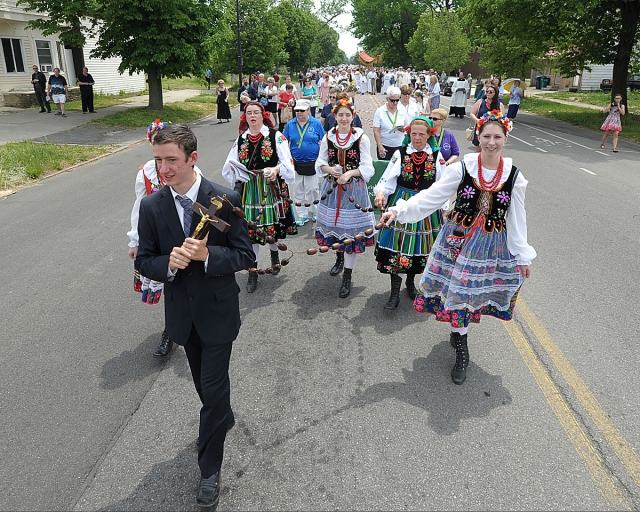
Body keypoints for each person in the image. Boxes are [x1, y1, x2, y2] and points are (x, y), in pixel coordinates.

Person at [136, 123, 254, 507]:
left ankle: (209, 470)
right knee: (207, 389)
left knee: (212, 393)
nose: (164, 169)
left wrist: (208, 257)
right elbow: (144, 259)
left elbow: (245, 256)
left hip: (218, 314)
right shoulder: (152, 206)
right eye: (158, 160)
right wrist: (166, 265)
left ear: (192, 159)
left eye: (172, 160)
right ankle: (222, 414)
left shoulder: (224, 197)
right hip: (183, 319)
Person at [380, 110, 535, 385]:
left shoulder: (515, 177)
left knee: (470, 296)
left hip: (489, 247)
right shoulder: (462, 168)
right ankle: (462, 347)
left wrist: (522, 255)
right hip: (457, 242)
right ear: (478, 135)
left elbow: (516, 218)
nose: (491, 142)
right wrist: (399, 210)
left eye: (497, 136)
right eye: (486, 135)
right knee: (460, 293)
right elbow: (432, 197)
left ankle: (458, 333)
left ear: (505, 138)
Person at [128, 119, 204, 358]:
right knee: (167, 281)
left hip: (182, 233)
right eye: (157, 155)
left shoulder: (188, 170)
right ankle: (170, 331)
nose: (163, 166)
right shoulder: (146, 173)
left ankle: (192, 325)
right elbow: (139, 208)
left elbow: (199, 202)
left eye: (169, 158)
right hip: (157, 235)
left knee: (186, 283)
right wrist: (135, 240)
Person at [222, 101, 297, 293]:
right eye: (249, 113)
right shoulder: (241, 139)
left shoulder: (275, 136)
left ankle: (273, 255)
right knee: (252, 232)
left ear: (263, 115)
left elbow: (287, 161)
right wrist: (234, 169)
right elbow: (229, 165)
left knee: (270, 229)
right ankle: (253, 271)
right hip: (249, 190)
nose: (252, 115)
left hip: (269, 187)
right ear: (244, 116)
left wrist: (276, 169)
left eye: (256, 112)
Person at [373, 116, 444, 309]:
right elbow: (387, 178)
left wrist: (444, 210)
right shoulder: (401, 153)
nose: (417, 138)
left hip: (425, 208)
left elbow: (443, 186)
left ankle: (410, 283)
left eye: (422, 134)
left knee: (416, 248)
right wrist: (380, 192)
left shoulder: (437, 157)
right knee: (399, 247)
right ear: (409, 134)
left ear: (430, 135)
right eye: (414, 134)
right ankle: (394, 293)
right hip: (401, 204)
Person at [315, 97, 376, 298]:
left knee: (350, 231)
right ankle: (338, 259)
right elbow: (320, 162)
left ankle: (347, 276)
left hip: (354, 190)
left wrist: (349, 173)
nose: (343, 118)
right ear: (335, 116)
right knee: (335, 226)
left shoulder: (361, 138)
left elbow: (368, 167)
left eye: (347, 115)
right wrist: (330, 169)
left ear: (353, 116)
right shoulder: (328, 137)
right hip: (332, 189)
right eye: (340, 115)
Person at [283, 98, 325, 225]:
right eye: (297, 111)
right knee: (298, 189)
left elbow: (323, 142)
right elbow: (284, 143)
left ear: (308, 110)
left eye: (301, 110)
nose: (299, 113)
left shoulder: (316, 123)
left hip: (312, 162)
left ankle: (314, 210)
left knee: (312, 189)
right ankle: (302, 215)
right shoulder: (290, 124)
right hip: (296, 163)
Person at [373, 86, 410, 160]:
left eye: (397, 100)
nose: (395, 103)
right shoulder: (380, 111)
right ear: (387, 99)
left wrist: (404, 129)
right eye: (392, 100)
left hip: (399, 145)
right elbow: (376, 130)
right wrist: (380, 146)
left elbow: (408, 125)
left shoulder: (402, 109)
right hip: (385, 146)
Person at [470, 85, 503, 151]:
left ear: (495, 93)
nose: (488, 93)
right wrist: (477, 120)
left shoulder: (499, 105)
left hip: (494, 132)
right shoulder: (480, 102)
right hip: (481, 129)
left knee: (492, 151)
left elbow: (503, 118)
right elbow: (472, 113)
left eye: (491, 92)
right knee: (478, 152)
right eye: (487, 91)